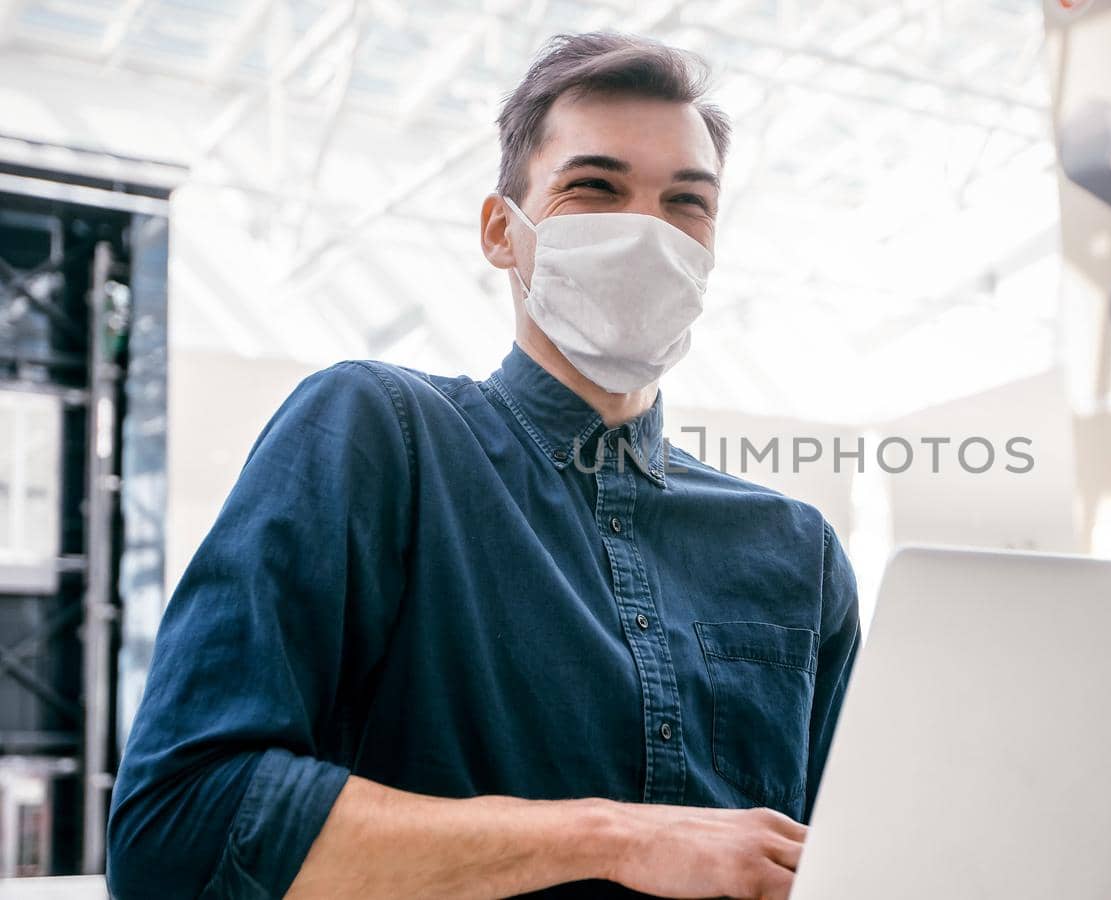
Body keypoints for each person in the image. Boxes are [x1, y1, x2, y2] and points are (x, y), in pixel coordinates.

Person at [106, 32, 860, 900]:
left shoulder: (797, 550)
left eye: (687, 203)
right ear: (503, 231)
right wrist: (609, 838)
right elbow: (180, 827)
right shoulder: (380, 435)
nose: (648, 232)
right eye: (595, 188)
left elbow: (854, 854)